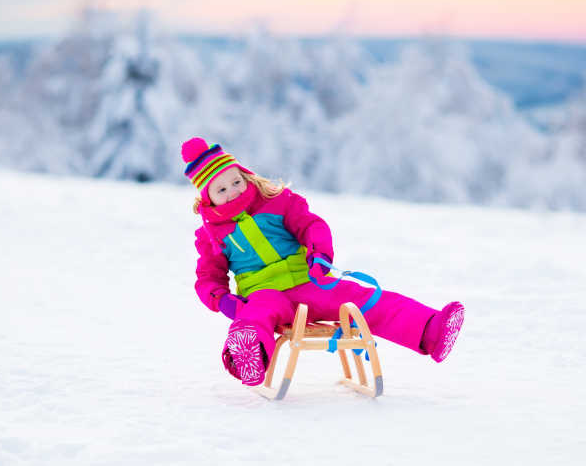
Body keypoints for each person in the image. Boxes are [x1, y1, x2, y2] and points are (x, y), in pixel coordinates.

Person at [183, 137, 465, 386]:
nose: (233, 191)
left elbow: (311, 226)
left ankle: (431, 330)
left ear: (246, 176)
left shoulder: (278, 203)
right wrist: (222, 301)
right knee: (256, 315)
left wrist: (319, 255)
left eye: (236, 181)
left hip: (309, 280)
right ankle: (249, 353)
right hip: (263, 292)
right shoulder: (211, 235)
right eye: (222, 190)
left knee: (360, 301)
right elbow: (208, 277)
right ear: (208, 199)